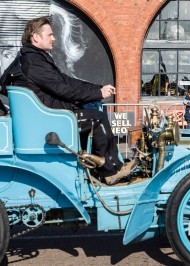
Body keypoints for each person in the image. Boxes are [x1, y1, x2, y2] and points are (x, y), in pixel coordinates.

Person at [12, 16, 136, 185]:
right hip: (50, 120)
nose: (54, 38)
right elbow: (64, 89)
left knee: (91, 110)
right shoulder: (34, 63)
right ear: (35, 37)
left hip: (47, 116)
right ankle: (111, 170)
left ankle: (95, 167)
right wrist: (98, 93)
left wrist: (97, 90)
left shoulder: (34, 59)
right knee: (97, 119)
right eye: (50, 35)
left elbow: (66, 81)